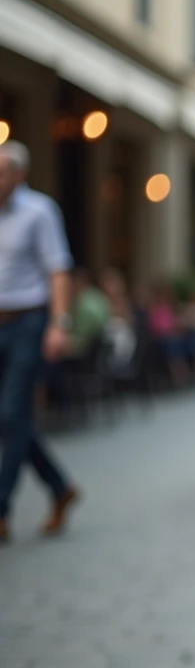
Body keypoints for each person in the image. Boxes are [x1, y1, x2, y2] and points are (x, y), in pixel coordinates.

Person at [0, 141, 81, 542]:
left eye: (1, 172)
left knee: (12, 412)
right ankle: (59, 486)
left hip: (29, 320)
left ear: (19, 174)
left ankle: (0, 508)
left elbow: (58, 270)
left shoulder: (39, 211)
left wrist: (58, 323)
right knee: (10, 418)